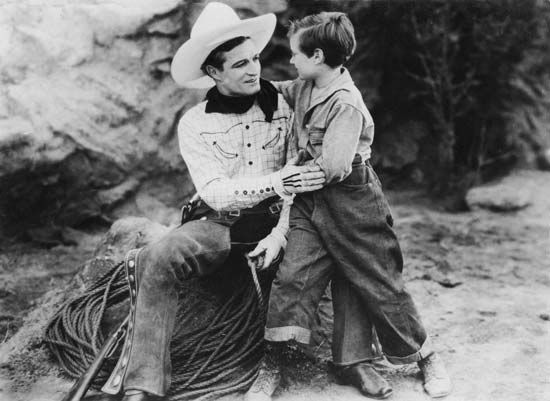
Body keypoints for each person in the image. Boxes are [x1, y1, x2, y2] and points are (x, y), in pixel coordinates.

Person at [97, 3, 327, 401]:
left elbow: (301, 173)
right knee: (156, 256)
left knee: (314, 259)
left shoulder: (287, 105)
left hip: (281, 219)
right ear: (213, 73)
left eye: (254, 59)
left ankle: (280, 364)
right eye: (239, 65)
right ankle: (143, 385)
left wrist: (280, 229)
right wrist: (274, 180)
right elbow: (214, 191)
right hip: (221, 222)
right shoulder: (196, 123)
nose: (253, 69)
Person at [245, 11, 452, 401]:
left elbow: (335, 167)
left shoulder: (346, 103)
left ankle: (426, 357)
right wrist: (240, 80)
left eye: (295, 54)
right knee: (294, 277)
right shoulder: (306, 85)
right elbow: (277, 89)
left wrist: (289, 178)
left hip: (352, 198)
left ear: (318, 56)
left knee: (378, 281)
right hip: (310, 203)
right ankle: (272, 363)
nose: (291, 60)